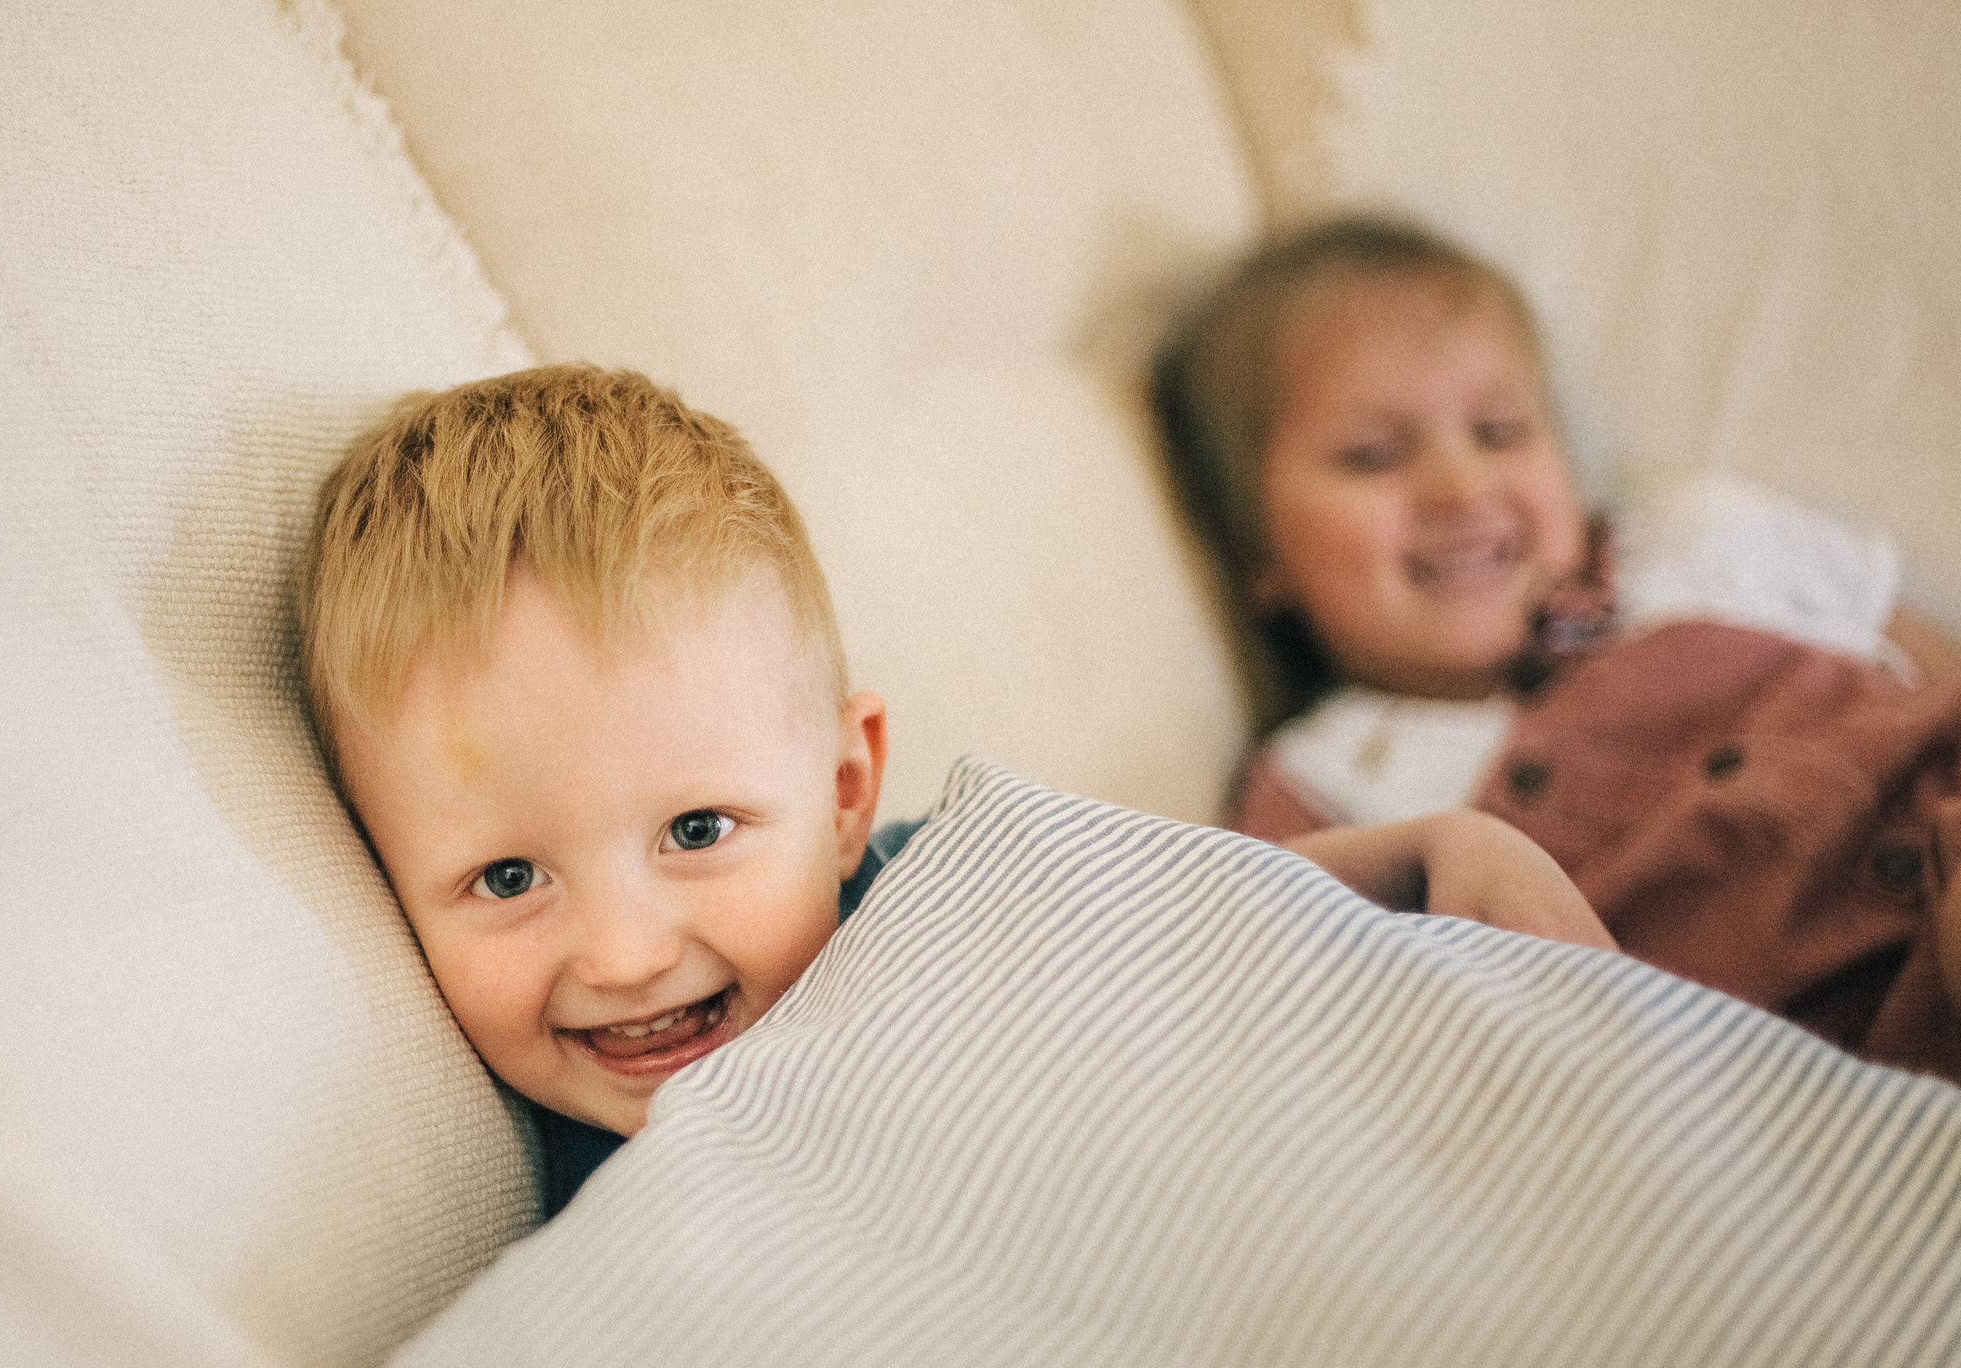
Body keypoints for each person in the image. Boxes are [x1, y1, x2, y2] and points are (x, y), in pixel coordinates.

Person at [301, 364, 1609, 1215]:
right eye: (509, 877)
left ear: (845, 788)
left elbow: (1199, 910)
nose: (628, 953)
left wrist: (1435, 849)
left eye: (698, 830)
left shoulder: (938, 891)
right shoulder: (561, 1196)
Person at [1153, 212, 1961, 1079]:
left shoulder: (1698, 543)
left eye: (1501, 432)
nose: (1461, 487)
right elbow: (1273, 986)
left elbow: (1938, 674)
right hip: (1783, 1079)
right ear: (1257, 557)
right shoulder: (1329, 776)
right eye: (1374, 455)